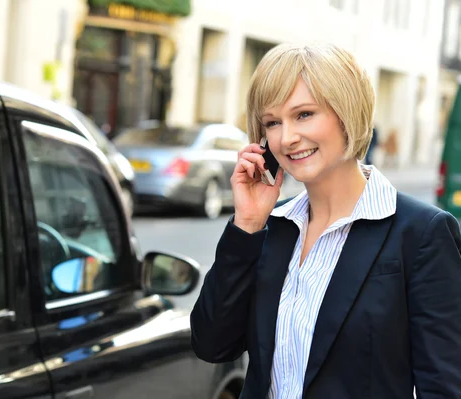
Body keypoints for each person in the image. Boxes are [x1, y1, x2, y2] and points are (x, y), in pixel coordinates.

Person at [190, 42, 461, 399]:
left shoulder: (421, 234)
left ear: (346, 112)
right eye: (272, 122)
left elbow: (444, 387)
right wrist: (247, 224)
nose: (287, 138)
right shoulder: (271, 227)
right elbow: (212, 345)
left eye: (304, 114)